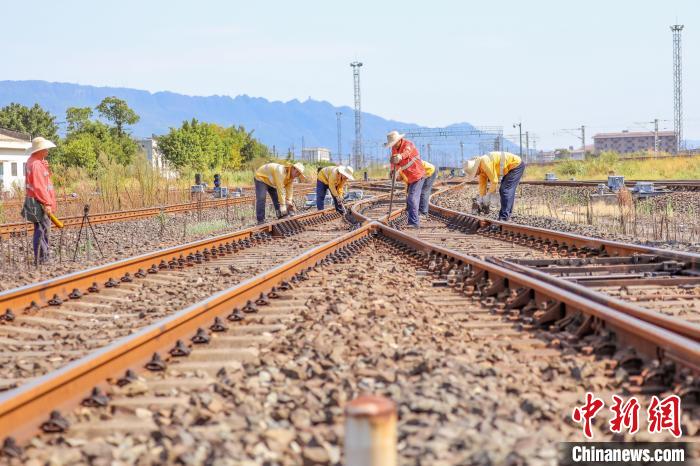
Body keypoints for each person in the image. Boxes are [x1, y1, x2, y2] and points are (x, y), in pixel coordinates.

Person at [21, 137, 57, 265]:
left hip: (36, 201)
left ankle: (42, 257)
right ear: (39, 150)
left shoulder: (34, 162)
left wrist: (46, 168)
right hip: (40, 203)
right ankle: (42, 259)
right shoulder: (36, 164)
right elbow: (39, 187)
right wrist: (47, 203)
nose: (47, 151)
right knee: (42, 230)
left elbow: (44, 180)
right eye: (45, 149)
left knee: (41, 229)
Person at [464, 151, 525, 221]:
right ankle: (507, 215)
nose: (476, 175)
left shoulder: (485, 163)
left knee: (505, 190)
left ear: (476, 167)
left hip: (516, 165)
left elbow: (494, 181)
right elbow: (482, 185)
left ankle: (504, 218)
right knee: (505, 190)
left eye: (475, 173)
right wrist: (481, 199)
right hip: (510, 168)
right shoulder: (481, 169)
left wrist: (488, 197)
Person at [385, 131, 426, 228]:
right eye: (392, 144)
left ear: (399, 140)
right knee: (409, 200)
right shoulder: (394, 149)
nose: (393, 145)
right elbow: (393, 162)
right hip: (409, 178)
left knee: (412, 199)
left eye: (394, 143)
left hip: (418, 175)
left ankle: (414, 223)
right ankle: (411, 220)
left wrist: (400, 156)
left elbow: (407, 153)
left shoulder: (408, 144)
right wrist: (392, 171)